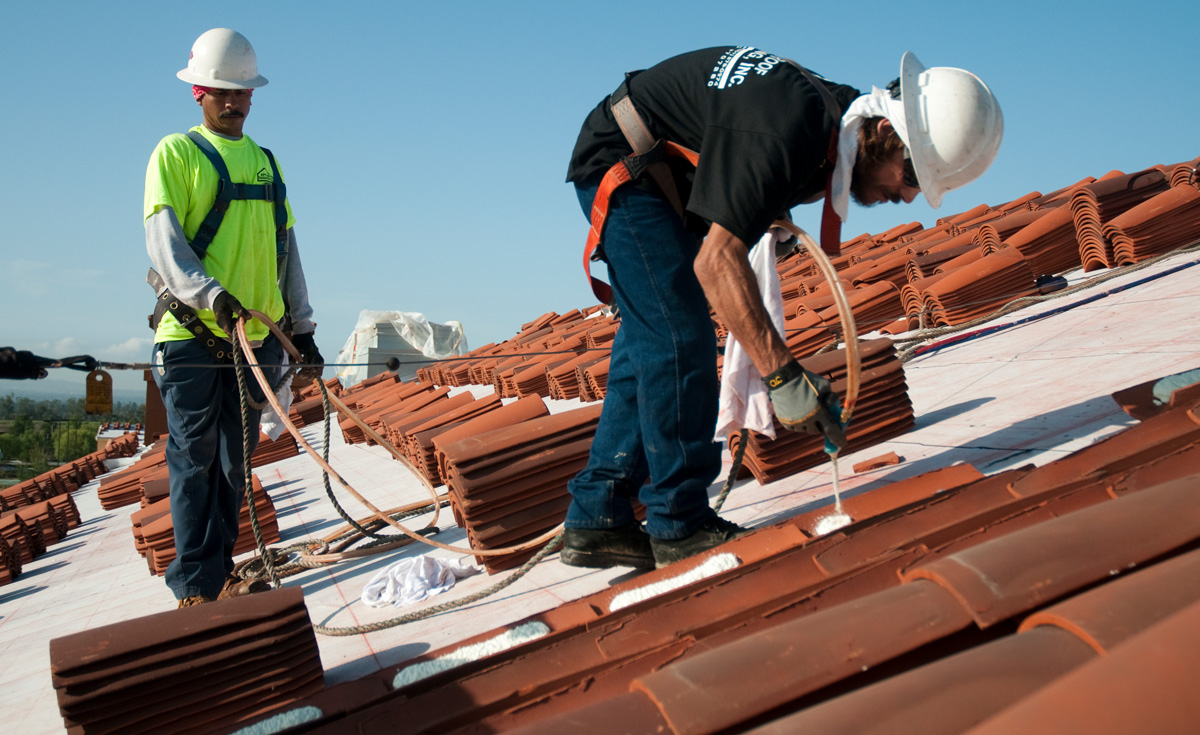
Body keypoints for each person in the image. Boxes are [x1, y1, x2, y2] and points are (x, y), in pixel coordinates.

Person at [561, 47, 1002, 570]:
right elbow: (716, 263)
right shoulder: (791, 127)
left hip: (665, 173)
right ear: (885, 131)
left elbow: (744, 153)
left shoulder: (831, 119)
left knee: (653, 335)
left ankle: (599, 516)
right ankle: (678, 523)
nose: (905, 197)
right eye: (911, 177)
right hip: (627, 164)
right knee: (679, 335)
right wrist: (783, 376)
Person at [144, 28, 324, 607]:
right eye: (221, 90)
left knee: (230, 464)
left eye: (241, 91)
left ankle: (218, 576)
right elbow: (166, 244)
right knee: (193, 459)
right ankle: (195, 588)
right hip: (195, 338)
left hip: (259, 341)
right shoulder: (176, 154)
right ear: (197, 90)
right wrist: (210, 295)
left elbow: (286, 249)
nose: (233, 100)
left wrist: (303, 329)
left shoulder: (267, 164)